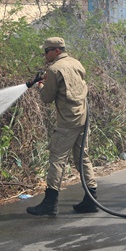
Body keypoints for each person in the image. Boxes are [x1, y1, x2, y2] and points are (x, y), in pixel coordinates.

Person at [26, 37, 98, 216]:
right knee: (83, 158)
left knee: (57, 158)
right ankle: (91, 199)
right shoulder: (76, 63)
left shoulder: (54, 69)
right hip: (83, 116)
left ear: (56, 50)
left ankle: (50, 203)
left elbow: (47, 98)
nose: (45, 54)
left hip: (68, 121)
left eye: (47, 51)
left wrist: (40, 86)